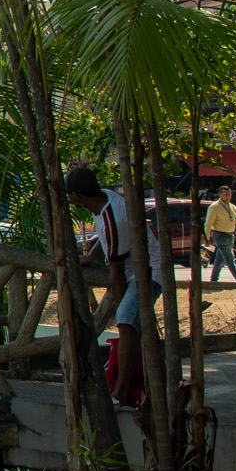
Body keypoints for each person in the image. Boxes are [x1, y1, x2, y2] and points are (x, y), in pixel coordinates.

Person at [65, 165, 163, 408]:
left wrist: (119, 309)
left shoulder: (113, 217)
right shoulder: (106, 199)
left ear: (76, 196)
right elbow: (108, 239)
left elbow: (117, 275)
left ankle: (119, 391)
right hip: (132, 270)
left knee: (127, 319)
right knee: (129, 321)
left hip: (147, 272)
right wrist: (91, 256)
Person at [205, 186, 236, 284]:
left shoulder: (232, 207)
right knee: (230, 258)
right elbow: (208, 223)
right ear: (220, 195)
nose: (228, 196)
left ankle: (213, 280)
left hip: (230, 235)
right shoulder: (215, 207)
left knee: (220, 259)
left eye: (229, 194)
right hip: (220, 235)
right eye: (226, 194)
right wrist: (207, 237)